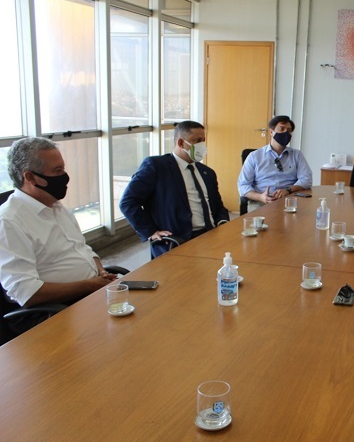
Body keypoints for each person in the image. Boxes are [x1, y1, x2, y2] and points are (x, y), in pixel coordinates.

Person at [0, 137, 118, 333]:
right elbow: (26, 292)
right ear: (30, 177)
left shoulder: (54, 204)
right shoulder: (9, 221)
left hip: (90, 294)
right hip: (52, 312)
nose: (65, 176)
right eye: (57, 171)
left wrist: (100, 271)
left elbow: (82, 248)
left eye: (63, 169)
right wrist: (88, 286)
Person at [120, 120, 230, 258]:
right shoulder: (157, 166)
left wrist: (222, 222)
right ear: (181, 143)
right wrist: (150, 232)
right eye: (197, 141)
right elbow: (128, 202)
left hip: (211, 235)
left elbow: (217, 205)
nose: (202, 145)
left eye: (203, 140)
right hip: (178, 240)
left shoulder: (207, 172)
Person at [237, 115, 312, 212]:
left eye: (289, 130)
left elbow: (306, 179)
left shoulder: (297, 155)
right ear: (271, 132)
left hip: (289, 201)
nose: (286, 133)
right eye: (282, 129)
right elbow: (243, 185)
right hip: (261, 202)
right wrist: (260, 197)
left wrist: (288, 190)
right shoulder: (254, 156)